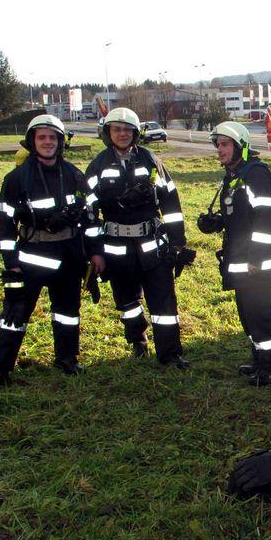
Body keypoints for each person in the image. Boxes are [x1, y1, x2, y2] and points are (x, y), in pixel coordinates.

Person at [0, 115, 104, 388]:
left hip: (69, 258)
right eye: (42, 137)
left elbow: (92, 218)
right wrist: (11, 263)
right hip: (31, 261)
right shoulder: (16, 179)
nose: (47, 142)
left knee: (67, 312)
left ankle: (67, 358)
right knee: (15, 314)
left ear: (60, 142)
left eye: (52, 137)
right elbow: (4, 225)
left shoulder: (74, 175)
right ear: (32, 141)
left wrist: (95, 252)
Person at [85, 107, 191, 368]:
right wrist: (94, 251)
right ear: (108, 133)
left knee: (163, 300)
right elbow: (87, 212)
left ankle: (170, 354)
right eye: (116, 129)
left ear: (136, 133)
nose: (122, 134)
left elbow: (171, 203)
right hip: (116, 249)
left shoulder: (151, 161)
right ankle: (137, 341)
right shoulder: (97, 165)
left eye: (127, 129)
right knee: (127, 302)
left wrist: (177, 242)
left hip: (152, 247)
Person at [198, 121, 271, 385]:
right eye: (218, 145)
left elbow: (267, 219)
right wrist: (215, 223)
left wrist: (256, 258)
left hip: (257, 263)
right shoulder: (234, 176)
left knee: (261, 315)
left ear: (240, 147)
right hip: (242, 262)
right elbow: (240, 217)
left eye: (225, 144)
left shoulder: (256, 175)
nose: (219, 150)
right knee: (248, 316)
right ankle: (260, 360)